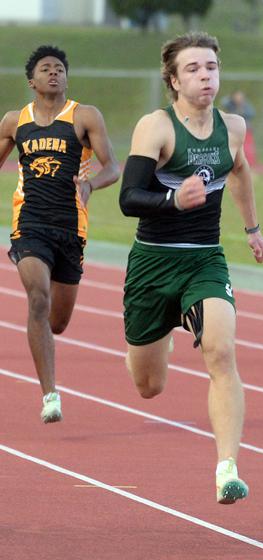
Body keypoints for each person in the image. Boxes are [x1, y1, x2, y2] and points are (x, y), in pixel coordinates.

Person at [118, 32, 263, 504]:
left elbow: (240, 170)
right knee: (149, 386)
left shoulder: (234, 127)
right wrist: (172, 198)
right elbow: (129, 198)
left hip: (204, 258)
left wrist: (252, 229)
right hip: (152, 264)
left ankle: (228, 469)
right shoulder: (156, 127)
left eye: (211, 67)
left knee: (221, 353)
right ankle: (158, 334)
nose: (206, 76)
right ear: (173, 79)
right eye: (194, 69)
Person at [0, 45, 119, 423]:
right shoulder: (14, 121)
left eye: (59, 69)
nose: (54, 73)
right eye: (46, 68)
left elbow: (112, 167)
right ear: (32, 81)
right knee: (38, 296)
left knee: (57, 322)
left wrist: (91, 185)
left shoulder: (84, 116)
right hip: (29, 223)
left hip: (70, 227)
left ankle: (45, 342)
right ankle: (50, 394)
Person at [221, 90, 257, 168]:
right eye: (237, 96)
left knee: (247, 149)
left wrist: (242, 110)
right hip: (233, 131)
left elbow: (252, 113)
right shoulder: (231, 105)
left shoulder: (246, 105)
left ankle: (250, 167)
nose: (239, 98)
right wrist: (231, 99)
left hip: (246, 130)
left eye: (241, 96)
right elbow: (223, 102)